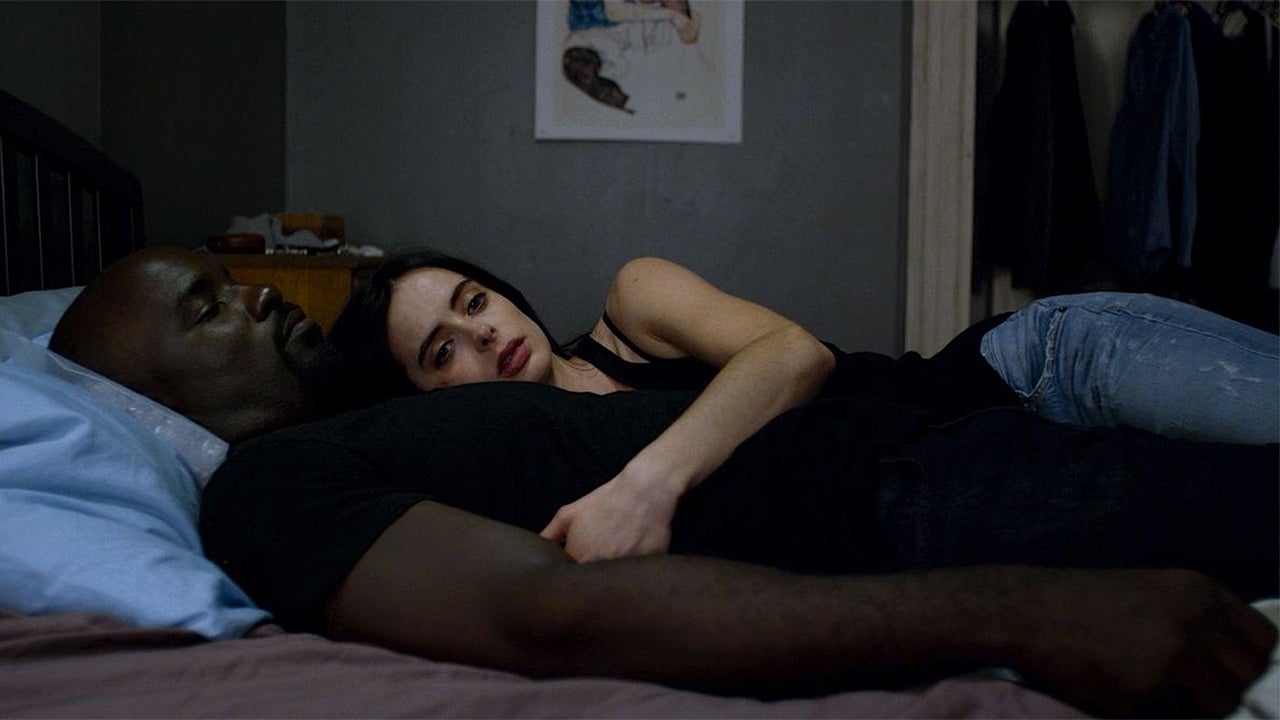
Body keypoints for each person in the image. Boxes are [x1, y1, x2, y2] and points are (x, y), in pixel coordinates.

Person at [48, 246, 1279, 719]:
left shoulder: (379, 433)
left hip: (973, 417)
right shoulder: (266, 489)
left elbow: (791, 357)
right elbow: (547, 610)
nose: (262, 289)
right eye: (206, 305)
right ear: (144, 388)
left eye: (474, 305)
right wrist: (1019, 610)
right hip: (912, 496)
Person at [326, 250, 1280, 562]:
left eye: (474, 302)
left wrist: (648, 484)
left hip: (1038, 369)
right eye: (441, 350)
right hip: (1001, 481)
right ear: (416, 406)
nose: (484, 333)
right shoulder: (518, 483)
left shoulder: (632, 302)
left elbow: (794, 354)